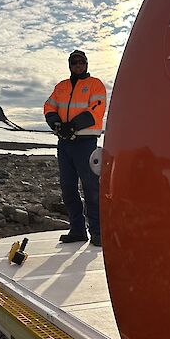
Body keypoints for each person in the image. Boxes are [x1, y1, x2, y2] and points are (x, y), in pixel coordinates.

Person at [43, 50, 106, 246]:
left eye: (81, 62)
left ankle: (97, 232)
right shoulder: (61, 87)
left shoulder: (95, 84)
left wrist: (73, 126)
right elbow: (49, 107)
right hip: (65, 143)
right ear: (69, 65)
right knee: (68, 187)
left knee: (91, 187)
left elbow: (96, 109)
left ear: (86, 64)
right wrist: (57, 125)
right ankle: (78, 230)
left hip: (85, 143)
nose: (78, 65)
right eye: (74, 62)